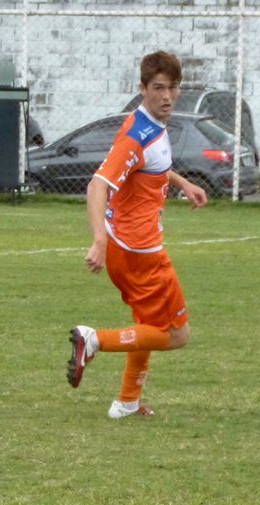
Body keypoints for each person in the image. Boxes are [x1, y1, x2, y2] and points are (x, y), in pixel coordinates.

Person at [68, 50, 207, 418]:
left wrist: (181, 181)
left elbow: (149, 167)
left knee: (148, 325)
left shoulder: (145, 124)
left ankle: (127, 401)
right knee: (177, 335)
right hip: (138, 252)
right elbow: (97, 185)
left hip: (127, 246)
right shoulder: (136, 135)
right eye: (158, 88)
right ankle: (93, 339)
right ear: (142, 89)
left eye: (173, 88)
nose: (167, 96)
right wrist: (98, 239)